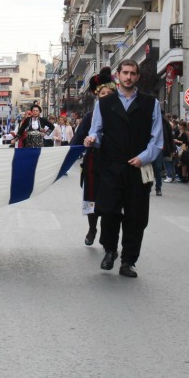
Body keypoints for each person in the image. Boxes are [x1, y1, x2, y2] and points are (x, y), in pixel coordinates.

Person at [83, 59, 164, 279]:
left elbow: (157, 140)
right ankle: (110, 250)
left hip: (138, 168)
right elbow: (96, 132)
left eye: (132, 73)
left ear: (137, 77)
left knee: (136, 217)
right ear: (118, 75)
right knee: (108, 210)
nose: (128, 77)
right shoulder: (104, 103)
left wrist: (143, 157)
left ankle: (129, 261)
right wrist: (91, 139)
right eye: (125, 73)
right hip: (111, 166)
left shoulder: (150, 103)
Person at [71, 67, 114, 246]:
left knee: (110, 201)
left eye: (109, 93)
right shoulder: (90, 116)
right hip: (93, 161)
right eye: (102, 93)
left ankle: (107, 235)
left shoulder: (119, 114)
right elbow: (76, 140)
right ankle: (92, 228)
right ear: (98, 96)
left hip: (112, 161)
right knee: (91, 198)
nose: (105, 95)